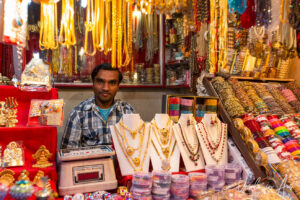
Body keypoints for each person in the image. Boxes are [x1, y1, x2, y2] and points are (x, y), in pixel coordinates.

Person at [60, 63, 134, 148]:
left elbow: (135, 147)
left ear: (118, 86)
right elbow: (68, 153)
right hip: (89, 161)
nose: (105, 88)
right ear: (93, 83)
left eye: (112, 83)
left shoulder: (127, 111)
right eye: (100, 81)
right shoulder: (78, 113)